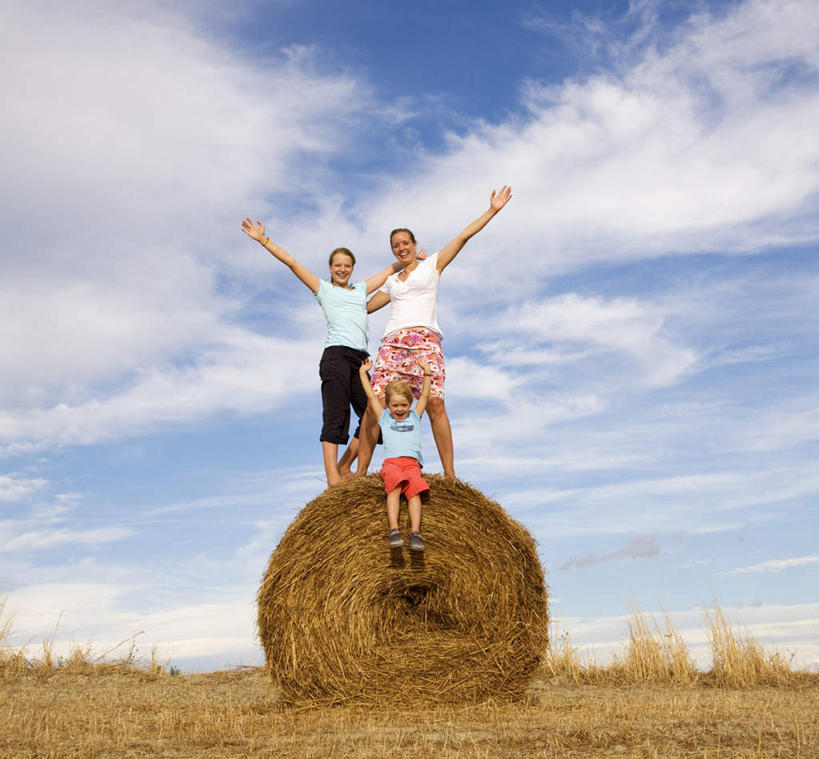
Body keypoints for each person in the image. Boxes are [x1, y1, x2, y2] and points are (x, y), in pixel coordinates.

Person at [352, 185, 513, 479]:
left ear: (415, 244)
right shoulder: (392, 282)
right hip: (393, 343)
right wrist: (340, 294)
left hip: (425, 340)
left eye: (405, 243)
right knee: (374, 404)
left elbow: (463, 236)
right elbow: (363, 306)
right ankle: (360, 474)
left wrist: (491, 210)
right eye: (395, 246)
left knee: (436, 402)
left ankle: (450, 475)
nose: (401, 248)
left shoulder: (432, 266)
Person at [240, 218, 402, 487]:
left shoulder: (361, 290)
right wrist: (263, 240)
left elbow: (389, 270)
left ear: (352, 269)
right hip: (336, 356)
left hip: (361, 360)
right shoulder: (323, 290)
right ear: (330, 268)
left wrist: (410, 260)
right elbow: (292, 262)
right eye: (337, 265)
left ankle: (350, 468)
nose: (342, 269)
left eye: (347, 266)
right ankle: (333, 479)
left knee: (375, 414)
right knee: (336, 416)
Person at [359, 357, 431, 552]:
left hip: (413, 465)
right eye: (395, 406)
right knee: (395, 487)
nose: (400, 409)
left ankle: (415, 533)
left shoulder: (415, 417)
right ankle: (394, 530)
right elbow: (372, 397)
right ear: (388, 406)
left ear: (409, 404)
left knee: (414, 492)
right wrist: (363, 373)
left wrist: (427, 373)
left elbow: (424, 397)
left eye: (404, 405)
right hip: (392, 463)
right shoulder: (384, 418)